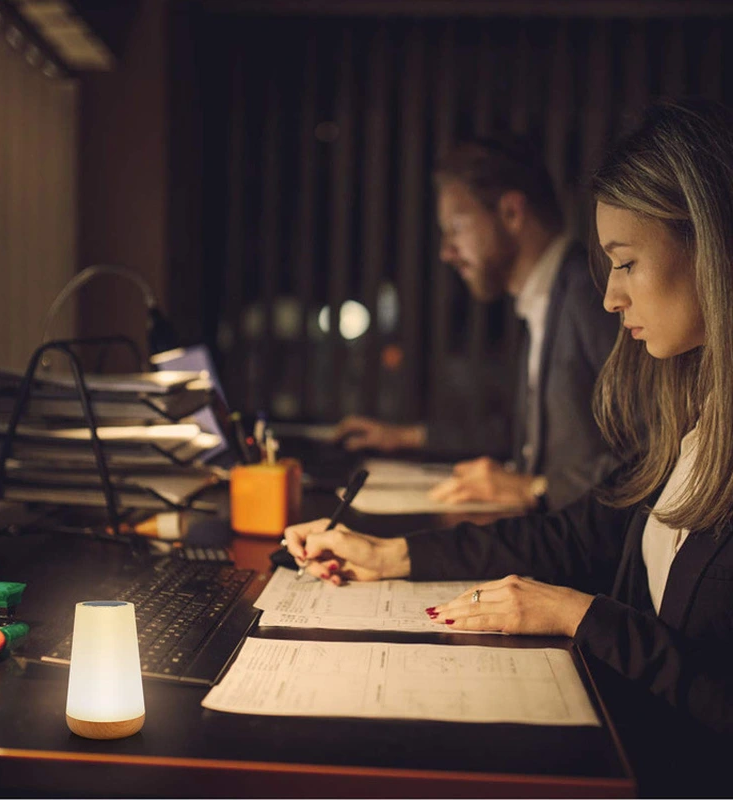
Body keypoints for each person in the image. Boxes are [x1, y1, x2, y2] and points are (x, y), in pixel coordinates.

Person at [287, 98, 733, 796]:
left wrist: (584, 617)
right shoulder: (696, 412)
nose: (611, 297)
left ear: (712, 249)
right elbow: (582, 533)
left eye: (626, 263)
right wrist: (393, 554)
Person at [335, 136, 618, 511]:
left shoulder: (591, 294)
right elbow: (524, 436)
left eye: (455, 228)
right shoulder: (547, 296)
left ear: (512, 213)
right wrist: (409, 436)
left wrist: (536, 488)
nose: (446, 252)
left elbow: (650, 452)